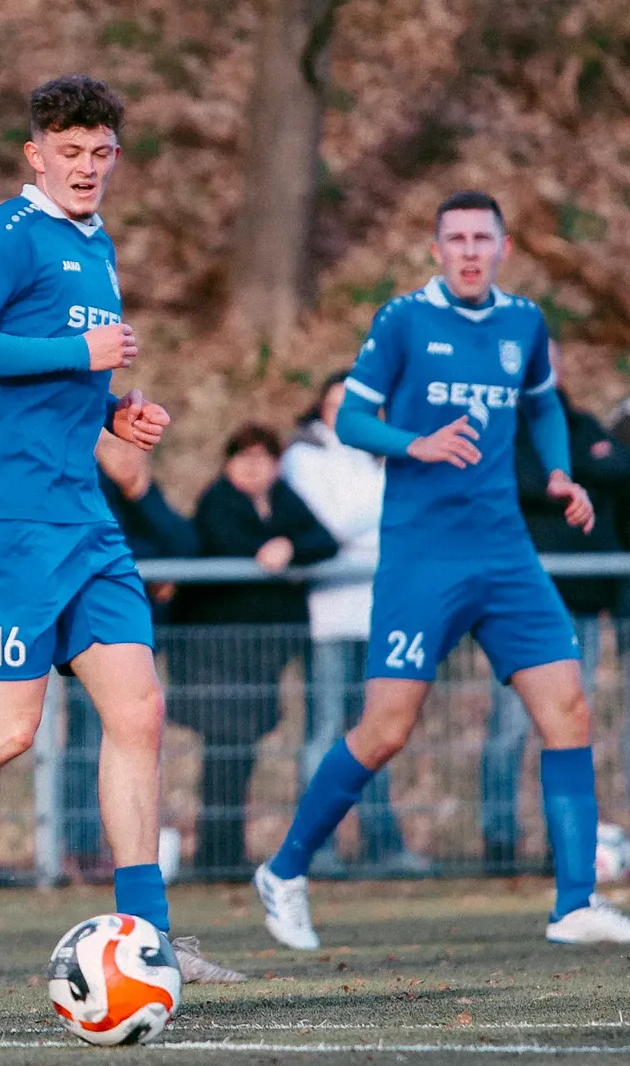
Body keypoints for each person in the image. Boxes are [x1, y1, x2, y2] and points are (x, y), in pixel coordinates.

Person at [0, 73, 241, 983]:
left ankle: (149, 939)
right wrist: (79, 354)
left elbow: (60, 379)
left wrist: (114, 412)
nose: (86, 167)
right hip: (7, 513)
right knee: (6, 729)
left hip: (82, 513)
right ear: (36, 155)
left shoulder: (97, 248)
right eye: (69, 152)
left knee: (139, 710)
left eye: (101, 153)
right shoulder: (11, 230)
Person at [256, 190, 630, 950]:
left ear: (503, 248)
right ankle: (285, 870)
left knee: (568, 711)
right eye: (455, 239)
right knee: (385, 730)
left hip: (506, 554)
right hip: (423, 558)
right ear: (436, 250)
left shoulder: (523, 322)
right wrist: (413, 444)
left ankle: (574, 904)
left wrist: (559, 474)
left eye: (481, 238)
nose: (468, 251)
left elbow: (543, 406)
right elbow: (350, 418)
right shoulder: (403, 321)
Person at [482, 344, 630, 872]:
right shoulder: (502, 425)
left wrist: (565, 477)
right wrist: (573, 478)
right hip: (521, 603)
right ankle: (499, 841)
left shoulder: (581, 423)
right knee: (510, 728)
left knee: (568, 725)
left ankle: (562, 845)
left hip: (582, 603)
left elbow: (619, 467)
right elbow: (521, 480)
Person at [171, 424, 338, 877]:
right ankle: (216, 856)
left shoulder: (283, 499)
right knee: (224, 753)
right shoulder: (218, 501)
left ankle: (227, 852)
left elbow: (323, 540)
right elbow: (229, 543)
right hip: (215, 651)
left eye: (262, 457)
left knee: (241, 753)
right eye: (242, 457)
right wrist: (274, 550)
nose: (252, 467)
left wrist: (289, 546)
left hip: (258, 654)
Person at [282, 371, 429, 878]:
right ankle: (313, 846)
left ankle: (382, 843)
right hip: (329, 612)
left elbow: (409, 518)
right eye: (335, 405)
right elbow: (333, 523)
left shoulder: (379, 454)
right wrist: (384, 510)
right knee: (325, 729)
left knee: (380, 728)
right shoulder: (304, 455)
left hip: (383, 608)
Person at [61, 429, 200, 881]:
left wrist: (141, 493)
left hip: (136, 640)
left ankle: (127, 860)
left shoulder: (141, 494)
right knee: (87, 741)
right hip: (93, 637)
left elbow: (185, 544)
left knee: (134, 741)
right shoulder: (83, 486)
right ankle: (82, 848)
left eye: (133, 448)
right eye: (114, 446)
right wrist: (146, 571)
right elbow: (105, 549)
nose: (126, 457)